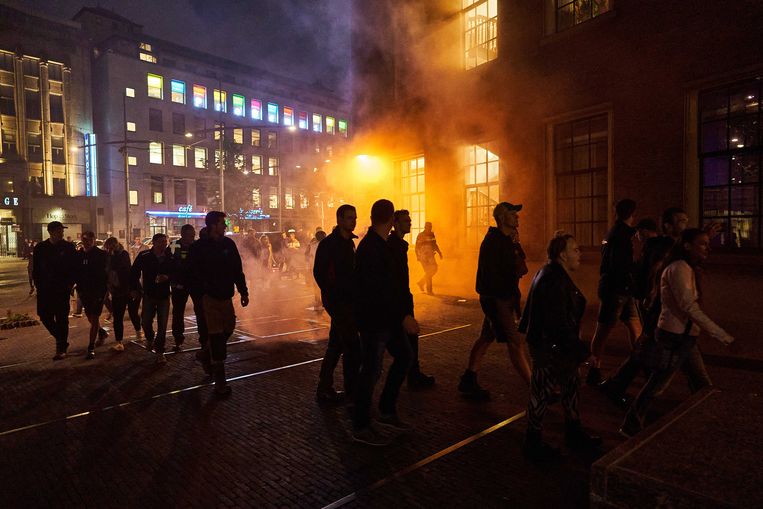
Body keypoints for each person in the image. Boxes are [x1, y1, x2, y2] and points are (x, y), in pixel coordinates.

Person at [620, 228, 735, 437]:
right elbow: (688, 306)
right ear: (687, 246)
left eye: (708, 243)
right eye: (702, 243)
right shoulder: (679, 269)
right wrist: (722, 335)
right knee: (659, 383)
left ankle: (709, 419)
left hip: (685, 336)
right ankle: (631, 423)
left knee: (699, 381)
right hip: (675, 337)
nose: (708, 247)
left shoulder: (686, 268)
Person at [519, 232, 601, 460]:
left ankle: (573, 432)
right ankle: (533, 443)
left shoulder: (552, 274)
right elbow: (558, 323)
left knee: (570, 386)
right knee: (541, 393)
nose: (580, 254)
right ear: (562, 254)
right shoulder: (553, 279)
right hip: (550, 347)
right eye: (575, 250)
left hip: (553, 346)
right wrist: (584, 352)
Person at [352, 199, 414, 446]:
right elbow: (379, 290)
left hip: (386, 319)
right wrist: (403, 316)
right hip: (375, 321)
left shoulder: (380, 245)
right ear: (390, 220)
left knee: (404, 357)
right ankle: (361, 424)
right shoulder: (372, 248)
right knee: (370, 370)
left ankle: (386, 410)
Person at [459, 202, 531, 400]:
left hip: (503, 298)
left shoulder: (509, 239)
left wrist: (516, 245)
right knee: (515, 342)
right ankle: (535, 388)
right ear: (501, 218)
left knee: (486, 338)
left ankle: (468, 379)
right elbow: (494, 275)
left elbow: (521, 265)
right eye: (512, 214)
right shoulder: (493, 241)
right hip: (497, 299)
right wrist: (502, 302)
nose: (517, 217)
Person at [190, 211, 249, 396]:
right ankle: (220, 382)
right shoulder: (199, 247)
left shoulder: (228, 244)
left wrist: (243, 290)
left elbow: (237, 269)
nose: (225, 226)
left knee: (229, 327)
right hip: (209, 297)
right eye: (223, 223)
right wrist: (201, 291)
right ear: (213, 225)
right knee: (215, 336)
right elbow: (193, 272)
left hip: (226, 296)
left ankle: (206, 354)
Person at [586, 199, 641, 386]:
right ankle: (594, 370)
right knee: (605, 330)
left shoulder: (611, 233)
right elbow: (622, 264)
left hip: (617, 288)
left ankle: (637, 365)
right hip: (618, 290)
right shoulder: (626, 235)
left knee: (631, 328)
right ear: (632, 214)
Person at [314, 205, 360, 403]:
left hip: (348, 300)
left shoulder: (350, 243)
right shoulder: (329, 244)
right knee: (351, 345)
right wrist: (331, 293)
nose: (353, 221)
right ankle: (351, 390)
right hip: (338, 301)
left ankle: (324, 387)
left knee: (336, 343)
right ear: (339, 219)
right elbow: (319, 272)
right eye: (349, 218)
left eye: (355, 218)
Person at [389, 209, 435, 388]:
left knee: (411, 342)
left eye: (409, 220)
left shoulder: (400, 244)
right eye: (405, 221)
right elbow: (394, 281)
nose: (409, 223)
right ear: (395, 223)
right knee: (400, 350)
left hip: (403, 302)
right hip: (398, 305)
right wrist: (403, 312)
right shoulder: (393, 246)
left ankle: (414, 375)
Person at [33, 221, 76, 360]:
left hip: (62, 289)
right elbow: (36, 269)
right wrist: (38, 285)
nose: (62, 233)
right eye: (59, 231)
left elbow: (73, 268)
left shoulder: (68, 247)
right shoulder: (41, 248)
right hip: (45, 290)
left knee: (62, 318)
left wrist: (70, 284)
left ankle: (61, 349)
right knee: (44, 316)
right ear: (51, 232)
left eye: (62, 231)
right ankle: (62, 340)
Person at [130, 233, 173, 363]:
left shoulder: (169, 257)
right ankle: (149, 337)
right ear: (153, 243)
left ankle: (160, 351)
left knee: (162, 325)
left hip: (164, 295)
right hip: (149, 294)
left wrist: (168, 277)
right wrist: (135, 289)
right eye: (160, 242)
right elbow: (133, 273)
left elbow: (176, 270)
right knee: (146, 321)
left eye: (165, 242)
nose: (163, 244)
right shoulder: (145, 256)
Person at [74, 231, 109, 359]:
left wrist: (106, 290)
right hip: (84, 291)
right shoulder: (78, 255)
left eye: (89, 240)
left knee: (94, 318)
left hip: (98, 291)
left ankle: (91, 346)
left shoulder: (102, 255)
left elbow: (106, 273)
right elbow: (75, 272)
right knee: (89, 317)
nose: (86, 242)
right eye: (84, 240)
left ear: (94, 240)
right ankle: (101, 332)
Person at [168, 224, 199, 352]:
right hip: (179, 285)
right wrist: (173, 281)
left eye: (193, 235)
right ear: (182, 235)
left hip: (195, 283)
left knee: (200, 310)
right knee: (178, 312)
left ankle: (204, 338)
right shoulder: (174, 245)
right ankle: (178, 339)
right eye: (189, 236)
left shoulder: (197, 245)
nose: (192, 238)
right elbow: (168, 264)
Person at [103, 237, 132, 351]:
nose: (110, 249)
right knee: (118, 317)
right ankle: (119, 341)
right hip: (115, 290)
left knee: (133, 314)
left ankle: (140, 330)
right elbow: (106, 270)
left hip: (126, 288)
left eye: (111, 246)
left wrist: (110, 257)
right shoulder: (108, 255)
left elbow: (122, 269)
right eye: (108, 247)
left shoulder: (123, 254)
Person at [415, 222, 442, 295]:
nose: (430, 228)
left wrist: (439, 252)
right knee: (428, 271)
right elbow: (417, 246)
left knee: (434, 268)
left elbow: (434, 244)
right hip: (423, 256)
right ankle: (429, 290)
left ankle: (421, 283)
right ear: (425, 227)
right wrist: (417, 256)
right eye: (428, 227)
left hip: (430, 255)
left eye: (430, 227)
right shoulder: (420, 235)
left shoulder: (431, 234)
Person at [305, 228, 327, 310]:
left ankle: (319, 300)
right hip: (319, 269)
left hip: (317, 269)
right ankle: (319, 301)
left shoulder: (313, 245)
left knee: (318, 285)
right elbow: (308, 256)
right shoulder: (315, 245)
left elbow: (308, 256)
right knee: (319, 286)